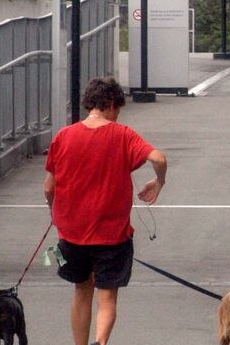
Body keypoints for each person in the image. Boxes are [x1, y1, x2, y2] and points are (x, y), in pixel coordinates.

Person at [43, 76, 167, 345]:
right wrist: (159, 182)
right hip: (113, 235)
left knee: (81, 290)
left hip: (73, 233)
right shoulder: (122, 135)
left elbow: (49, 188)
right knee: (107, 295)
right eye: (118, 110)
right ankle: (101, 342)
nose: (117, 117)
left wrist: (55, 213)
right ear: (111, 104)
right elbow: (158, 158)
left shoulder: (64, 136)